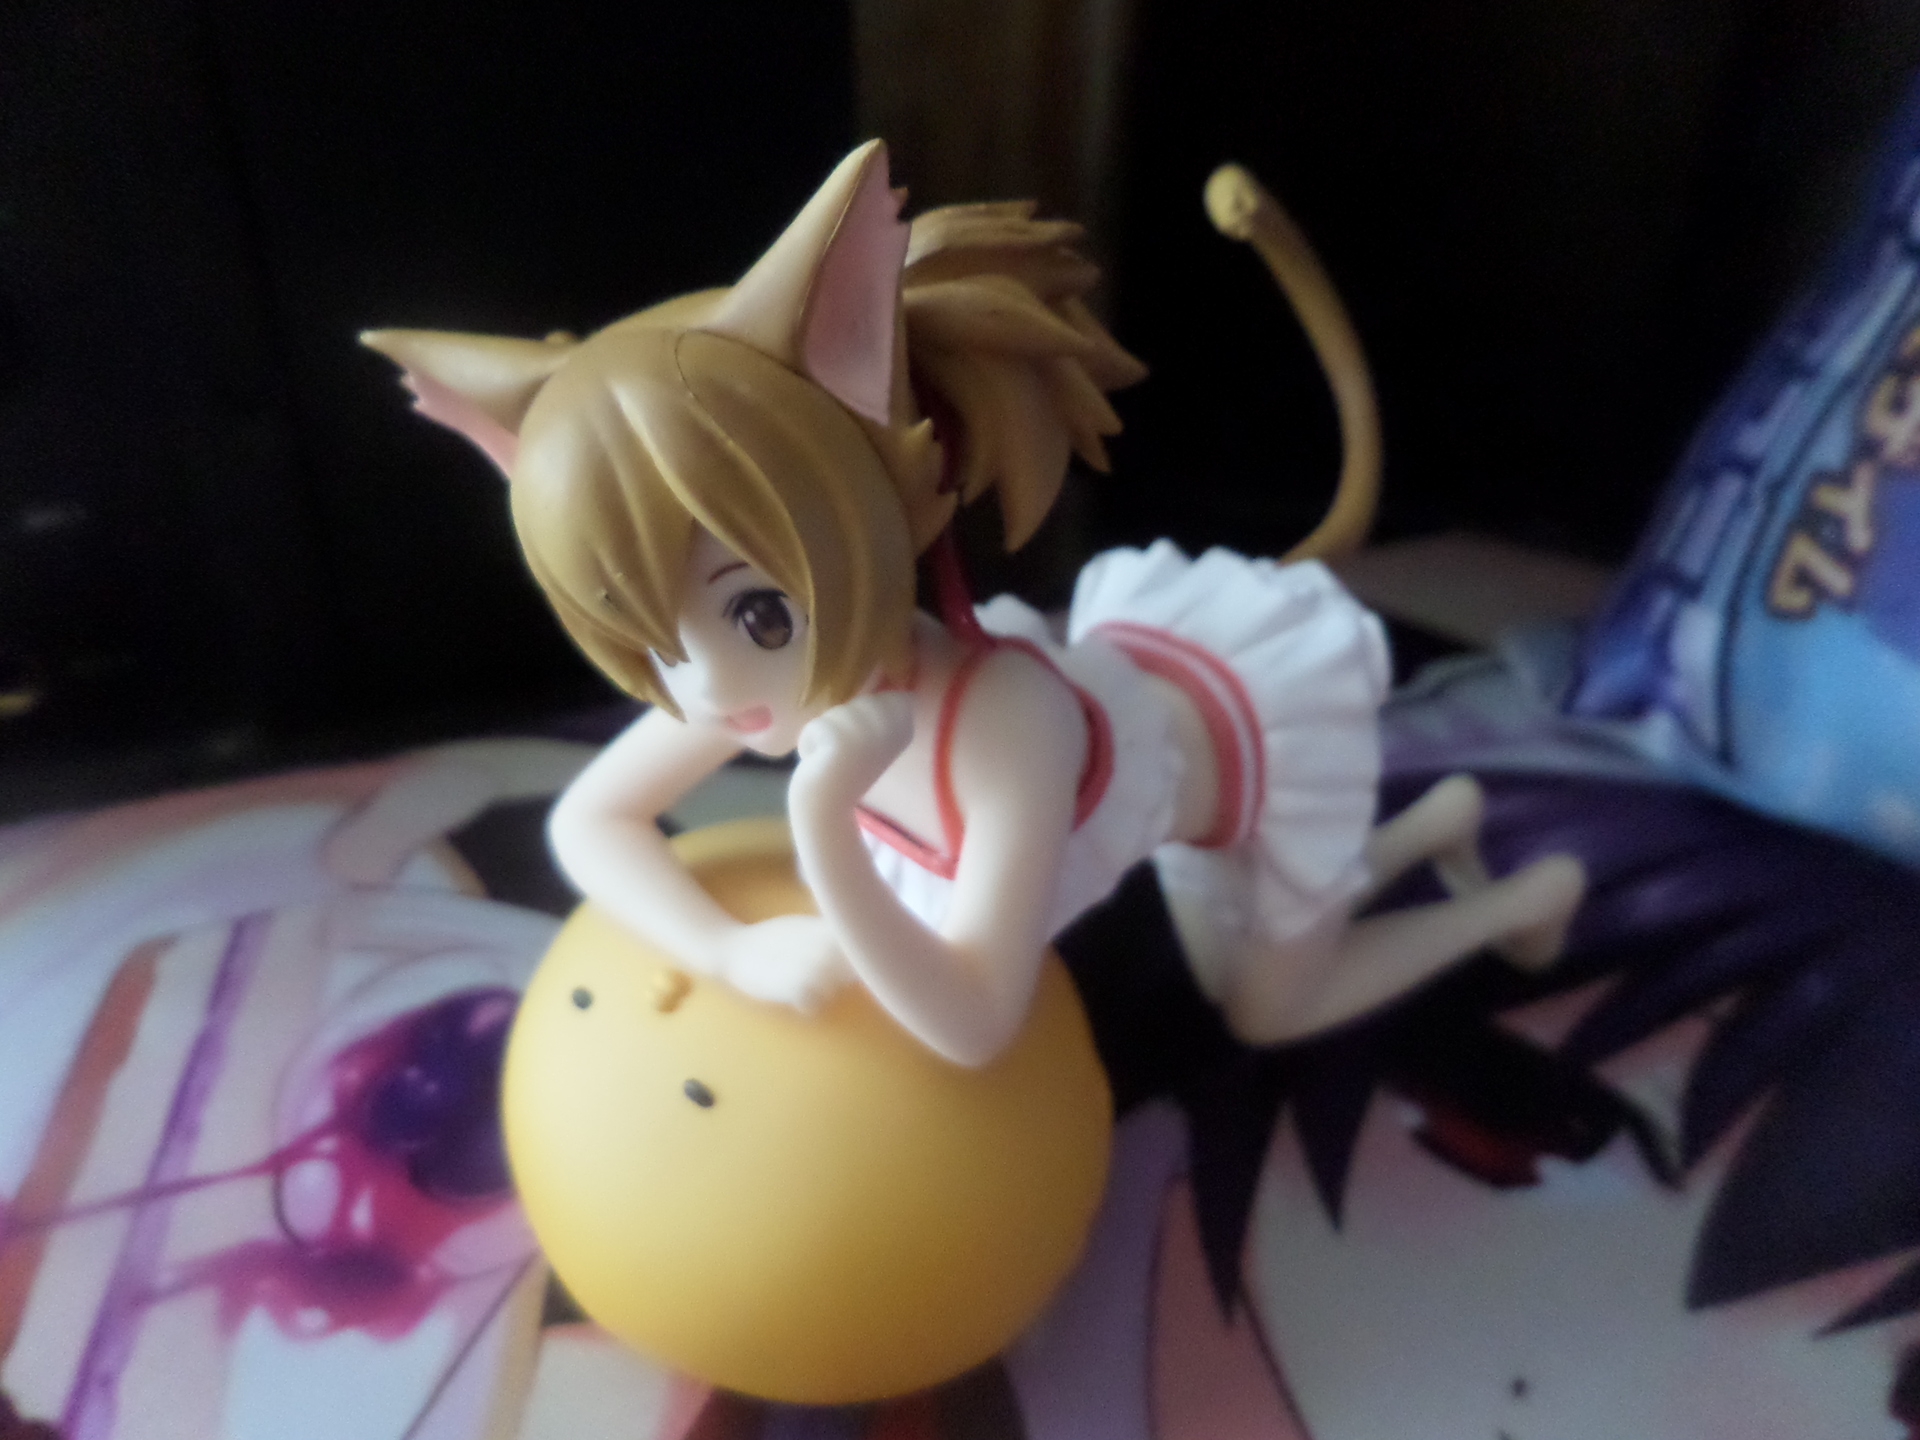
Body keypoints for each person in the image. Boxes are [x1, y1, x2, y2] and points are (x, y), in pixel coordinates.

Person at [364, 141, 1584, 1067]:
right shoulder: (743, 685)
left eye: (758, 614)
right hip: (1147, 705)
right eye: (645, 633)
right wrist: (728, 951)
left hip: (1251, 751)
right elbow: (589, 825)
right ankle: (1437, 824)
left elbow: (977, 1024)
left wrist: (828, 830)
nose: (706, 687)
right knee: (1234, 942)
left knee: (1261, 1009)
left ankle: (1526, 898)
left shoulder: (1003, 725)